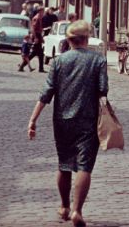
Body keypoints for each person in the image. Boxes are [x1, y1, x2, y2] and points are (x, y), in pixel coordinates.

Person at [27, 19, 109, 227]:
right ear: (86, 39)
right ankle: (77, 211)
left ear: (69, 40)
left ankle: (64, 206)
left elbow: (46, 93)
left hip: (62, 120)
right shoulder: (98, 60)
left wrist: (33, 119)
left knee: (64, 164)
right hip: (89, 120)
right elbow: (103, 91)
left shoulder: (58, 61)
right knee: (85, 166)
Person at [29, 5, 47, 72]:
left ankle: (41, 68)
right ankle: (22, 65)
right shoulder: (36, 18)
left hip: (38, 35)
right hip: (36, 36)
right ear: (40, 11)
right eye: (43, 11)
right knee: (37, 53)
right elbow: (33, 29)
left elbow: (39, 30)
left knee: (38, 53)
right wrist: (36, 37)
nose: (43, 12)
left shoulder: (40, 18)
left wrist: (41, 38)